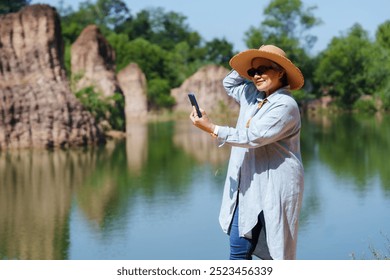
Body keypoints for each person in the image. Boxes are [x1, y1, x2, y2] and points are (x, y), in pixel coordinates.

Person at [189, 44, 304, 260]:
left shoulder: (285, 105)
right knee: (238, 250)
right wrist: (253, 58)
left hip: (275, 185)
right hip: (248, 184)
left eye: (263, 69)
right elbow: (229, 82)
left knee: (275, 254)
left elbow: (253, 137)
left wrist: (212, 128)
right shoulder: (252, 94)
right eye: (253, 72)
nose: (257, 75)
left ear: (281, 71)